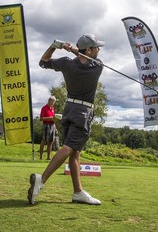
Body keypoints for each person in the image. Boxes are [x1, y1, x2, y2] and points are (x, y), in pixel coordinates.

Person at [27, 33, 104, 206]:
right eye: (97, 47)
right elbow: (83, 55)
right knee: (69, 148)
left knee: (75, 152)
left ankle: (78, 192)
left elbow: (43, 62)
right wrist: (73, 49)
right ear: (89, 50)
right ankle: (42, 179)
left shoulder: (65, 63)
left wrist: (55, 46)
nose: (99, 50)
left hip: (69, 109)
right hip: (83, 112)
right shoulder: (97, 66)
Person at [39, 95, 56, 160]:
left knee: (51, 141)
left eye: (54, 102)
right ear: (49, 100)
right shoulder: (44, 108)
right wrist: (50, 118)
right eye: (52, 101)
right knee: (44, 140)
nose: (53, 103)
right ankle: (40, 156)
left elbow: (53, 118)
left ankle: (48, 157)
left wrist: (55, 126)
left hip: (52, 125)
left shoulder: (52, 108)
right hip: (46, 125)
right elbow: (41, 118)